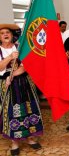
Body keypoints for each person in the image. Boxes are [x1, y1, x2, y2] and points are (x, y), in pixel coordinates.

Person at [0, 24, 43, 156]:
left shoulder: (20, 47)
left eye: (8, 32)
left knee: (29, 109)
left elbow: (26, 66)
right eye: (2, 33)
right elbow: (1, 67)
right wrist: (10, 57)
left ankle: (30, 138)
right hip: (6, 85)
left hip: (24, 82)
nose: (5, 34)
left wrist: (12, 74)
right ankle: (15, 142)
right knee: (12, 112)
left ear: (12, 35)